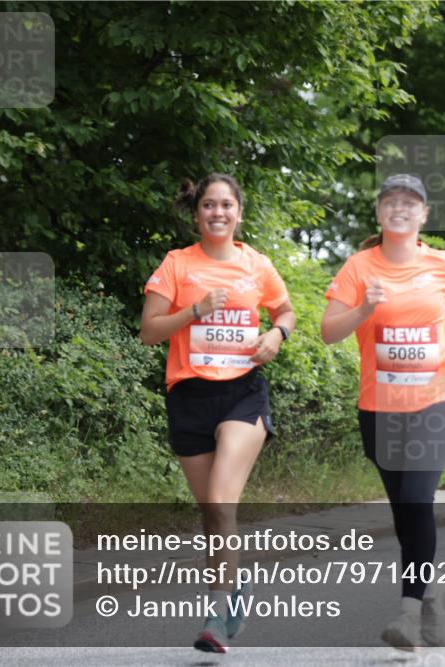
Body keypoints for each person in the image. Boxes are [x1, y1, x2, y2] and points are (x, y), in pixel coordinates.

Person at [321, 174, 445, 651]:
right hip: (379, 406)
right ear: (379, 212)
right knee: (406, 511)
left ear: (424, 215)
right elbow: (329, 331)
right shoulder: (358, 267)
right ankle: (432, 593)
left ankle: (409, 615)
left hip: (440, 398)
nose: (400, 208)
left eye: (410, 203)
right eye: (391, 201)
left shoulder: (444, 264)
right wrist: (363, 310)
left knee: (415, 498)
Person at [140, 174, 295, 653]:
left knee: (222, 502)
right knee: (211, 512)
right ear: (197, 214)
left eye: (227, 205)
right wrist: (195, 310)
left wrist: (277, 335)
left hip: (243, 395)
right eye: (209, 205)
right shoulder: (176, 264)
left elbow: (285, 311)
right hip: (188, 396)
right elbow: (148, 331)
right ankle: (235, 592)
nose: (218, 213)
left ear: (239, 213)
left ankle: (215, 613)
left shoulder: (257, 264)